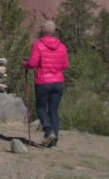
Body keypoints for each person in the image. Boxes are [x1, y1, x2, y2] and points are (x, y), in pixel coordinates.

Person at [22, 20, 69, 148]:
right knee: (54, 110)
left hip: (43, 82)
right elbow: (65, 65)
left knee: (41, 108)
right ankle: (54, 143)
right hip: (58, 83)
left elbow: (32, 64)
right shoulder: (62, 46)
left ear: (43, 31)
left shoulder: (38, 45)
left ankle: (48, 132)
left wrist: (24, 64)